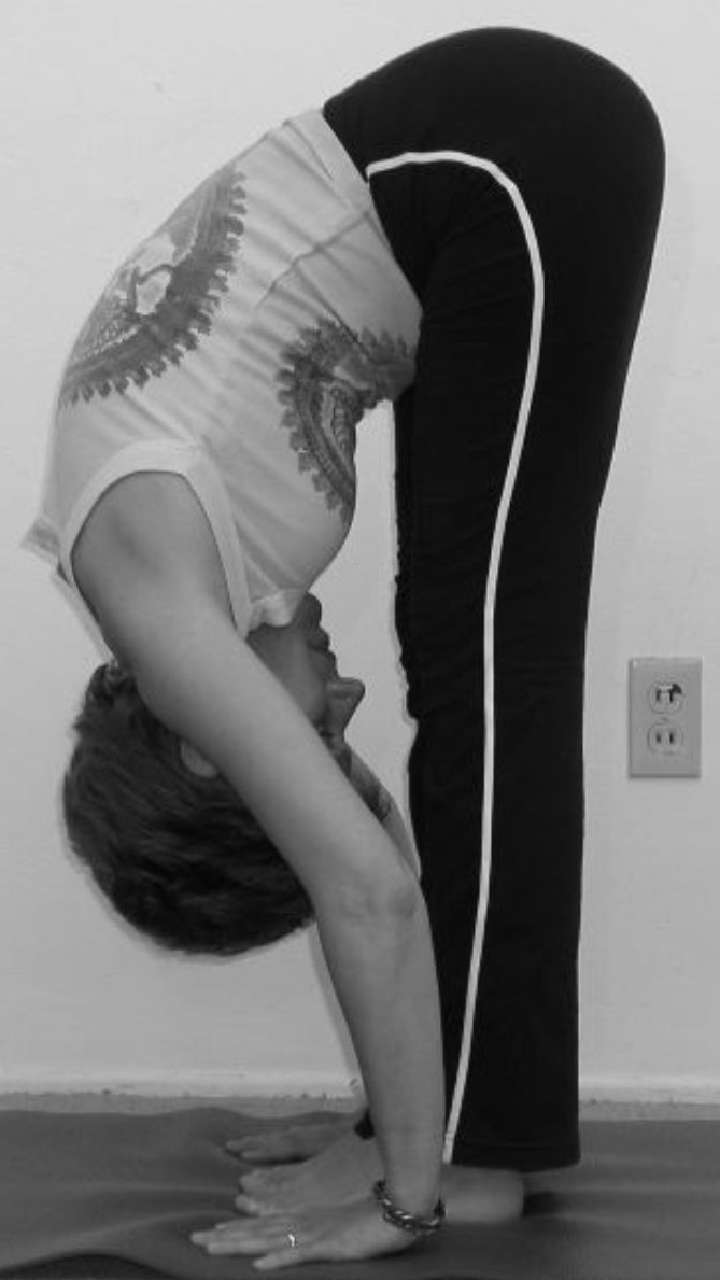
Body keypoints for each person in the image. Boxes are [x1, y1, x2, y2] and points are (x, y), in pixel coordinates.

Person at [20, 26, 665, 1272]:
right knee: (463, 659)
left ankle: (469, 1159)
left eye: (318, 733)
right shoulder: (162, 579)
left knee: (491, 669)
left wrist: (403, 1195)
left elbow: (367, 885)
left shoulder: (160, 608)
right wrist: (386, 1117)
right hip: (479, 187)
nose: (345, 694)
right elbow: (377, 860)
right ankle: (455, 1122)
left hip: (507, 158)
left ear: (210, 758)